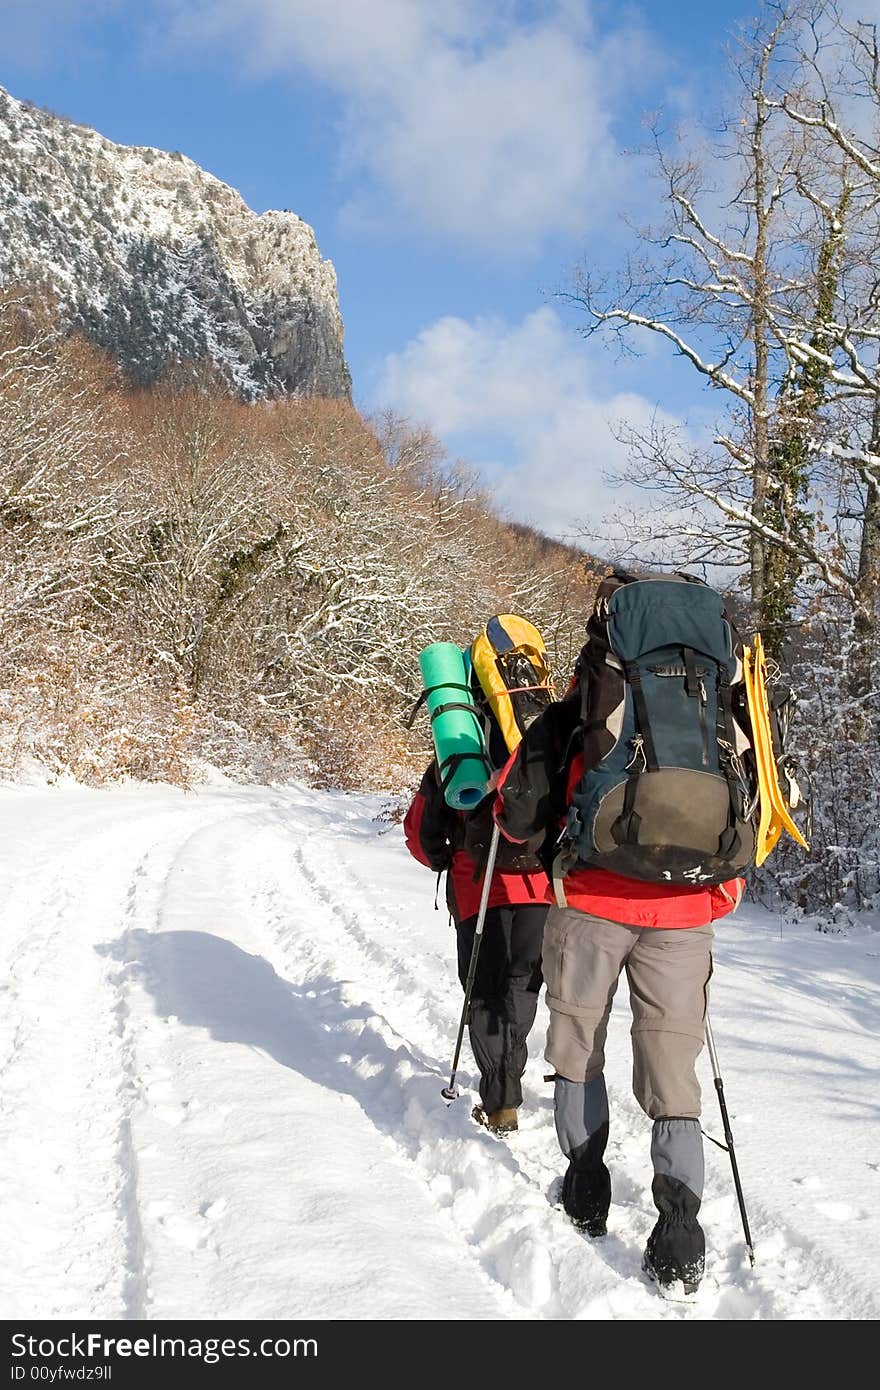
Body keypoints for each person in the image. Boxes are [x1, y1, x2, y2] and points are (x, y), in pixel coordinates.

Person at [491, 658, 745, 1295]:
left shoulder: (584, 703)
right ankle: (681, 1236)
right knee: (672, 1061)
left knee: (578, 1043)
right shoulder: (717, 694)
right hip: (686, 909)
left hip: (592, 901)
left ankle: (585, 1191)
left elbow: (514, 815)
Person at [404, 757, 548, 1135]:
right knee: (522, 984)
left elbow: (422, 837)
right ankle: (508, 1077)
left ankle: (501, 1100)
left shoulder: (455, 747)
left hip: (476, 884)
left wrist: (445, 854)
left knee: (485, 990)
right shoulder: (535, 740)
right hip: (538, 884)